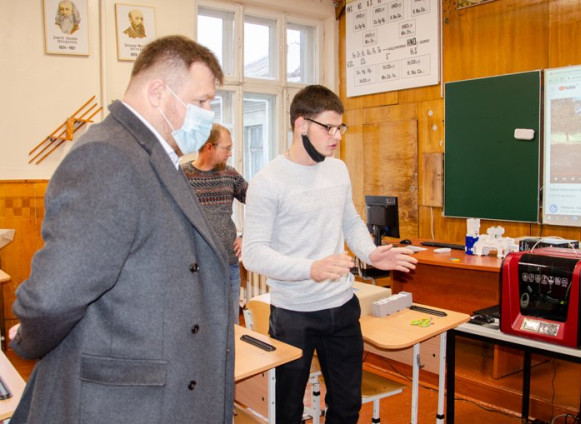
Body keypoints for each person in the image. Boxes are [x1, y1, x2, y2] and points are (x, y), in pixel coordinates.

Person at [9, 35, 235, 424]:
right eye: (201, 101)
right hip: (127, 400)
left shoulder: (150, 154)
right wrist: (28, 339)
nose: (207, 114)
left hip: (158, 387)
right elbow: (54, 295)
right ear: (158, 92)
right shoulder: (108, 155)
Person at [242, 84, 418, 424]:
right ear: (301, 125)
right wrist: (311, 268)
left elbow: (349, 221)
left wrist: (371, 254)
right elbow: (253, 254)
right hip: (294, 314)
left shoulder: (337, 170)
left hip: (342, 306)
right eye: (329, 128)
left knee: (348, 405)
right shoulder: (268, 181)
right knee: (288, 410)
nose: (337, 136)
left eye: (340, 127)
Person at [182, 123, 248, 322]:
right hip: (195, 268)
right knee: (200, 325)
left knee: (231, 325)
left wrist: (247, 235)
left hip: (229, 265)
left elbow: (261, 204)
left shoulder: (230, 175)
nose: (230, 153)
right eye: (226, 148)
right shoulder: (182, 176)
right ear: (209, 147)